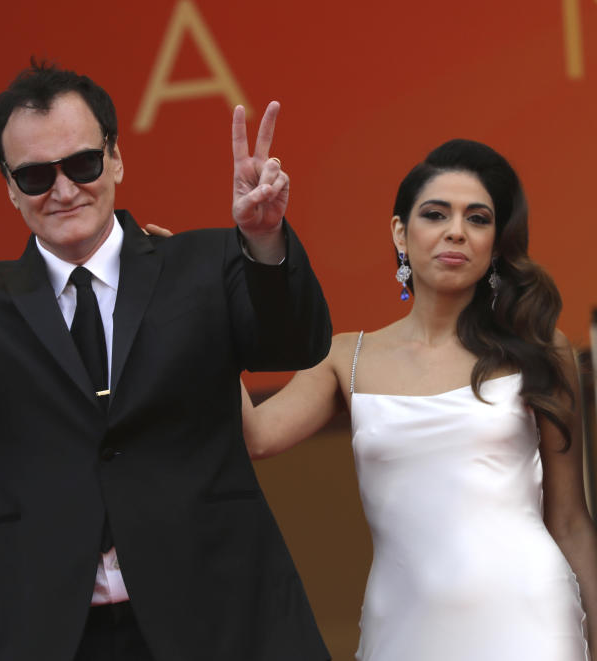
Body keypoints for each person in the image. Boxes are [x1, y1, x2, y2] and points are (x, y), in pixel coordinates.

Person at [0, 62, 332, 661]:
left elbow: (294, 344)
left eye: (83, 164)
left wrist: (263, 242)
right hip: (47, 628)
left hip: (217, 613)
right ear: (9, 187)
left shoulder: (205, 262)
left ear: (116, 159)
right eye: (36, 175)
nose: (65, 190)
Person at [242, 139, 597, 660]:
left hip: (533, 620)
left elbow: (570, 521)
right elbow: (256, 435)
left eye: (478, 218)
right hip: (403, 628)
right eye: (436, 214)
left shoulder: (541, 351)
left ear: (495, 244)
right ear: (400, 233)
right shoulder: (347, 358)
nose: (456, 230)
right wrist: (196, 309)